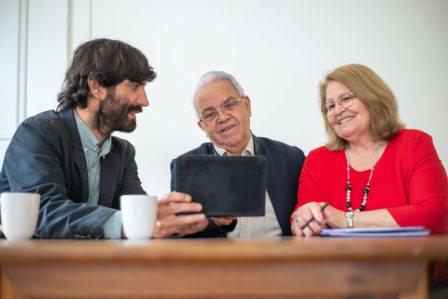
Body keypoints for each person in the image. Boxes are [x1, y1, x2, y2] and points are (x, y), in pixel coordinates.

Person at [0, 38, 208, 239]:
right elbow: (43, 211)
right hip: (27, 269)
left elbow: (144, 218)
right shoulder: (37, 133)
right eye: (134, 87)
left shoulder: (122, 152)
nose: (144, 101)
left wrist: (206, 220)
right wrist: (133, 223)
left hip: (91, 268)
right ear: (97, 86)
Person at [291, 64, 448, 237]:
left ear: (372, 98)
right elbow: (301, 220)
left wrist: (345, 219)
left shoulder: (413, 143)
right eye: (330, 106)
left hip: (408, 261)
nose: (338, 111)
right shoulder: (317, 159)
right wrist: (304, 221)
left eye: (346, 98)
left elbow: (436, 215)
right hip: (337, 263)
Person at [170, 71, 305, 237]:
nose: (222, 117)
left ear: (247, 106)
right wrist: (214, 223)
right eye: (210, 114)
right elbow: (180, 238)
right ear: (203, 127)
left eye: (229, 105)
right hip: (218, 262)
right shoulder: (187, 167)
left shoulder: (290, 158)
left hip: (277, 261)